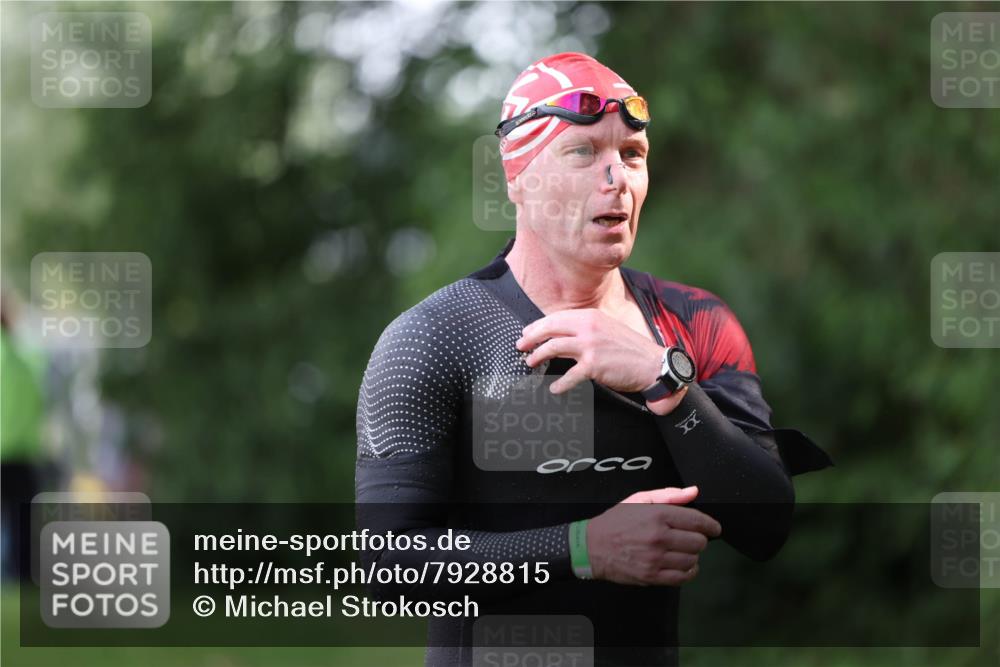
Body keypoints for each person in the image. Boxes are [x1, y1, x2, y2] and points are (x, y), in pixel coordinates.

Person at [355, 52, 832, 666]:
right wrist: (584, 549)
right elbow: (386, 566)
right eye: (582, 153)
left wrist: (666, 381)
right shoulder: (436, 337)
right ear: (517, 178)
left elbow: (764, 526)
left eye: (632, 155)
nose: (617, 179)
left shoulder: (695, 325)